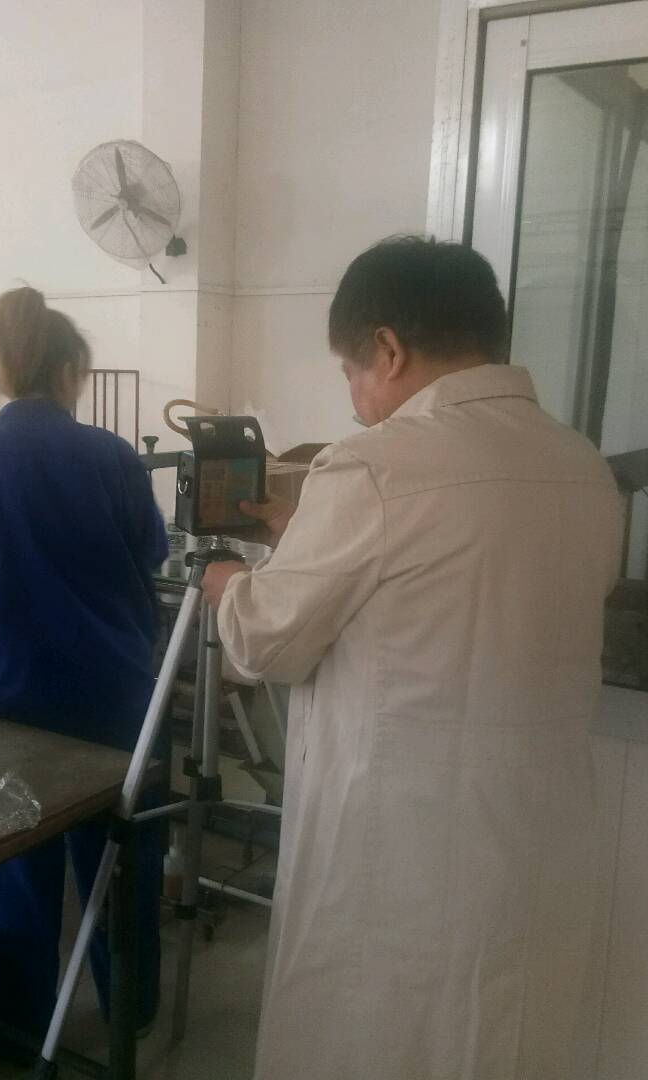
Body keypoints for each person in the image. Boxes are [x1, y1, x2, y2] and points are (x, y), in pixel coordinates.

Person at [202, 236, 623, 1080]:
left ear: (388, 349)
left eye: (351, 371)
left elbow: (264, 643)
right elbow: (444, 585)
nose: (357, 401)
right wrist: (310, 541)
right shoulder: (583, 467)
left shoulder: (374, 466)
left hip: (401, 855)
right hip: (536, 840)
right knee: (504, 1036)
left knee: (376, 1043)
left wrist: (228, 582)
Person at [0, 286, 166, 1057]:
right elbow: (153, 554)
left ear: (4, 370)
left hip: (8, 704)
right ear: (69, 372)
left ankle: (14, 1025)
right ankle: (131, 1010)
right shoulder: (115, 458)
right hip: (115, 695)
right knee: (124, 858)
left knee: (14, 870)